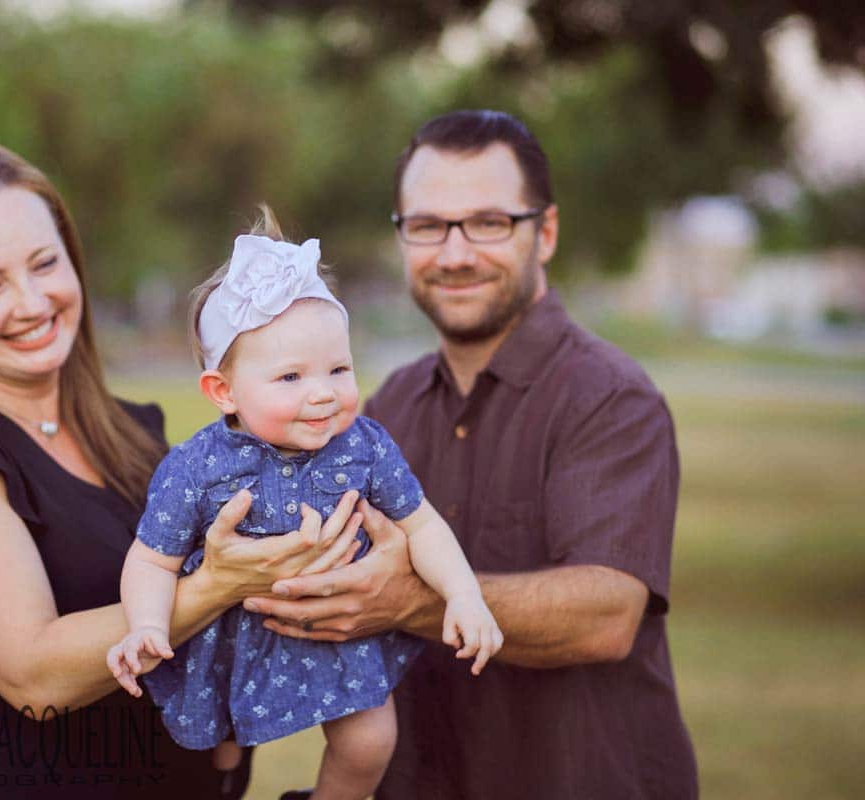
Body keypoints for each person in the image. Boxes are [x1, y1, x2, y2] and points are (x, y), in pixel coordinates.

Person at [0, 141, 364, 799]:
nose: (33, 301)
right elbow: (34, 674)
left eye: (46, 263)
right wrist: (216, 586)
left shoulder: (132, 431)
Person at [245, 110, 699, 799]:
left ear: (543, 233)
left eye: (488, 223)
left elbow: (608, 616)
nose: (454, 254)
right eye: (427, 226)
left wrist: (409, 599)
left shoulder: (610, 399)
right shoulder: (384, 407)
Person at [106, 213, 502, 800]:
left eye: (338, 369)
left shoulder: (364, 446)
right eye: (290, 376)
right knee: (213, 750)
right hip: (231, 642)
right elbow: (152, 559)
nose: (322, 392)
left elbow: (422, 525)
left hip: (341, 636)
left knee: (369, 742)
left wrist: (464, 593)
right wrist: (145, 623)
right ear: (224, 392)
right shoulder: (196, 467)